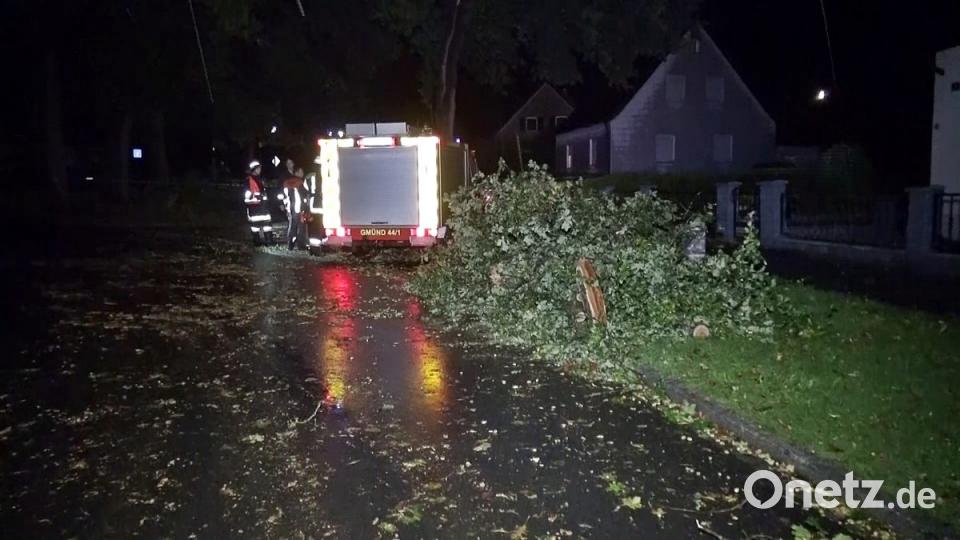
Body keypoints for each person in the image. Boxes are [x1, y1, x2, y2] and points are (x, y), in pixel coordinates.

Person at [244, 160, 273, 244]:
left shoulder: (261, 179)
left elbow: (265, 190)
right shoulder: (248, 180)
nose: (260, 169)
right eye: (258, 168)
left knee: (267, 224)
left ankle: (269, 240)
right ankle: (257, 242)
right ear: (254, 169)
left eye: (260, 168)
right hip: (254, 207)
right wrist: (257, 196)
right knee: (255, 226)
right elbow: (247, 194)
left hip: (263, 206)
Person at [282, 166, 307, 250]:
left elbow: (284, 196)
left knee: (292, 225)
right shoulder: (300, 182)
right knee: (301, 227)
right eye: (301, 171)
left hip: (290, 208)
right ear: (296, 173)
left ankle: (290, 244)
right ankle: (301, 245)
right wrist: (304, 208)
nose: (302, 173)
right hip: (298, 207)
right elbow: (304, 195)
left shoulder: (286, 182)